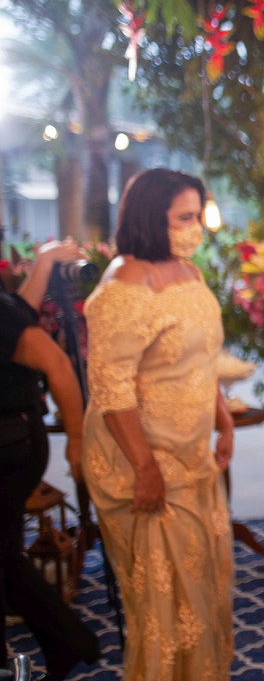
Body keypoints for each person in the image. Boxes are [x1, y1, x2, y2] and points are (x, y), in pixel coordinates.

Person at [82, 169, 235, 679]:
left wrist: (223, 420)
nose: (196, 228)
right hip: (141, 462)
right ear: (151, 217)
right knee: (165, 608)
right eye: (184, 218)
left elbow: (203, 355)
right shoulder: (125, 284)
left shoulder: (187, 272)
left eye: (197, 216)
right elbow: (111, 389)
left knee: (204, 585)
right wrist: (145, 469)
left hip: (192, 453)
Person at [1, 241, 99, 680]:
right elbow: (20, 311)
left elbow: (58, 365)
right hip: (15, 440)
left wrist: (76, 440)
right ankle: (70, 642)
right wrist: (43, 262)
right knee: (6, 556)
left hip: (12, 446)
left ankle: (69, 642)